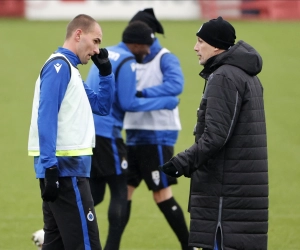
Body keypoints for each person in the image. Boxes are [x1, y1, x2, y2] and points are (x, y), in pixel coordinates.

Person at [159, 16, 268, 250]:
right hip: (241, 191)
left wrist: (180, 163)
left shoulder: (224, 76)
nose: (195, 47)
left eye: (200, 41)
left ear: (216, 45)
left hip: (225, 196)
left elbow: (216, 136)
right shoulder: (245, 74)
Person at [85, 21, 179, 250]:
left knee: (94, 194)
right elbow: (129, 103)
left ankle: (56, 237)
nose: (148, 51)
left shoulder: (107, 54)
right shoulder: (127, 61)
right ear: (136, 44)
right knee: (120, 191)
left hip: (88, 132)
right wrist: (166, 102)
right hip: (108, 134)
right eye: (146, 46)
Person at [28, 14, 115, 250]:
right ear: (79, 34)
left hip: (65, 170)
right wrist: (50, 166)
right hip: (65, 171)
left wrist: (106, 72)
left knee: (55, 245)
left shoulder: (70, 70)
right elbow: (46, 117)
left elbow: (102, 106)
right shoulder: (59, 67)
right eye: (95, 41)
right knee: (86, 245)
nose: (97, 50)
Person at [123, 8, 193, 250]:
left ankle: (189, 245)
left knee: (161, 193)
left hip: (158, 134)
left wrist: (141, 94)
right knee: (124, 192)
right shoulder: (129, 56)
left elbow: (176, 85)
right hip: (132, 133)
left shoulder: (165, 58)